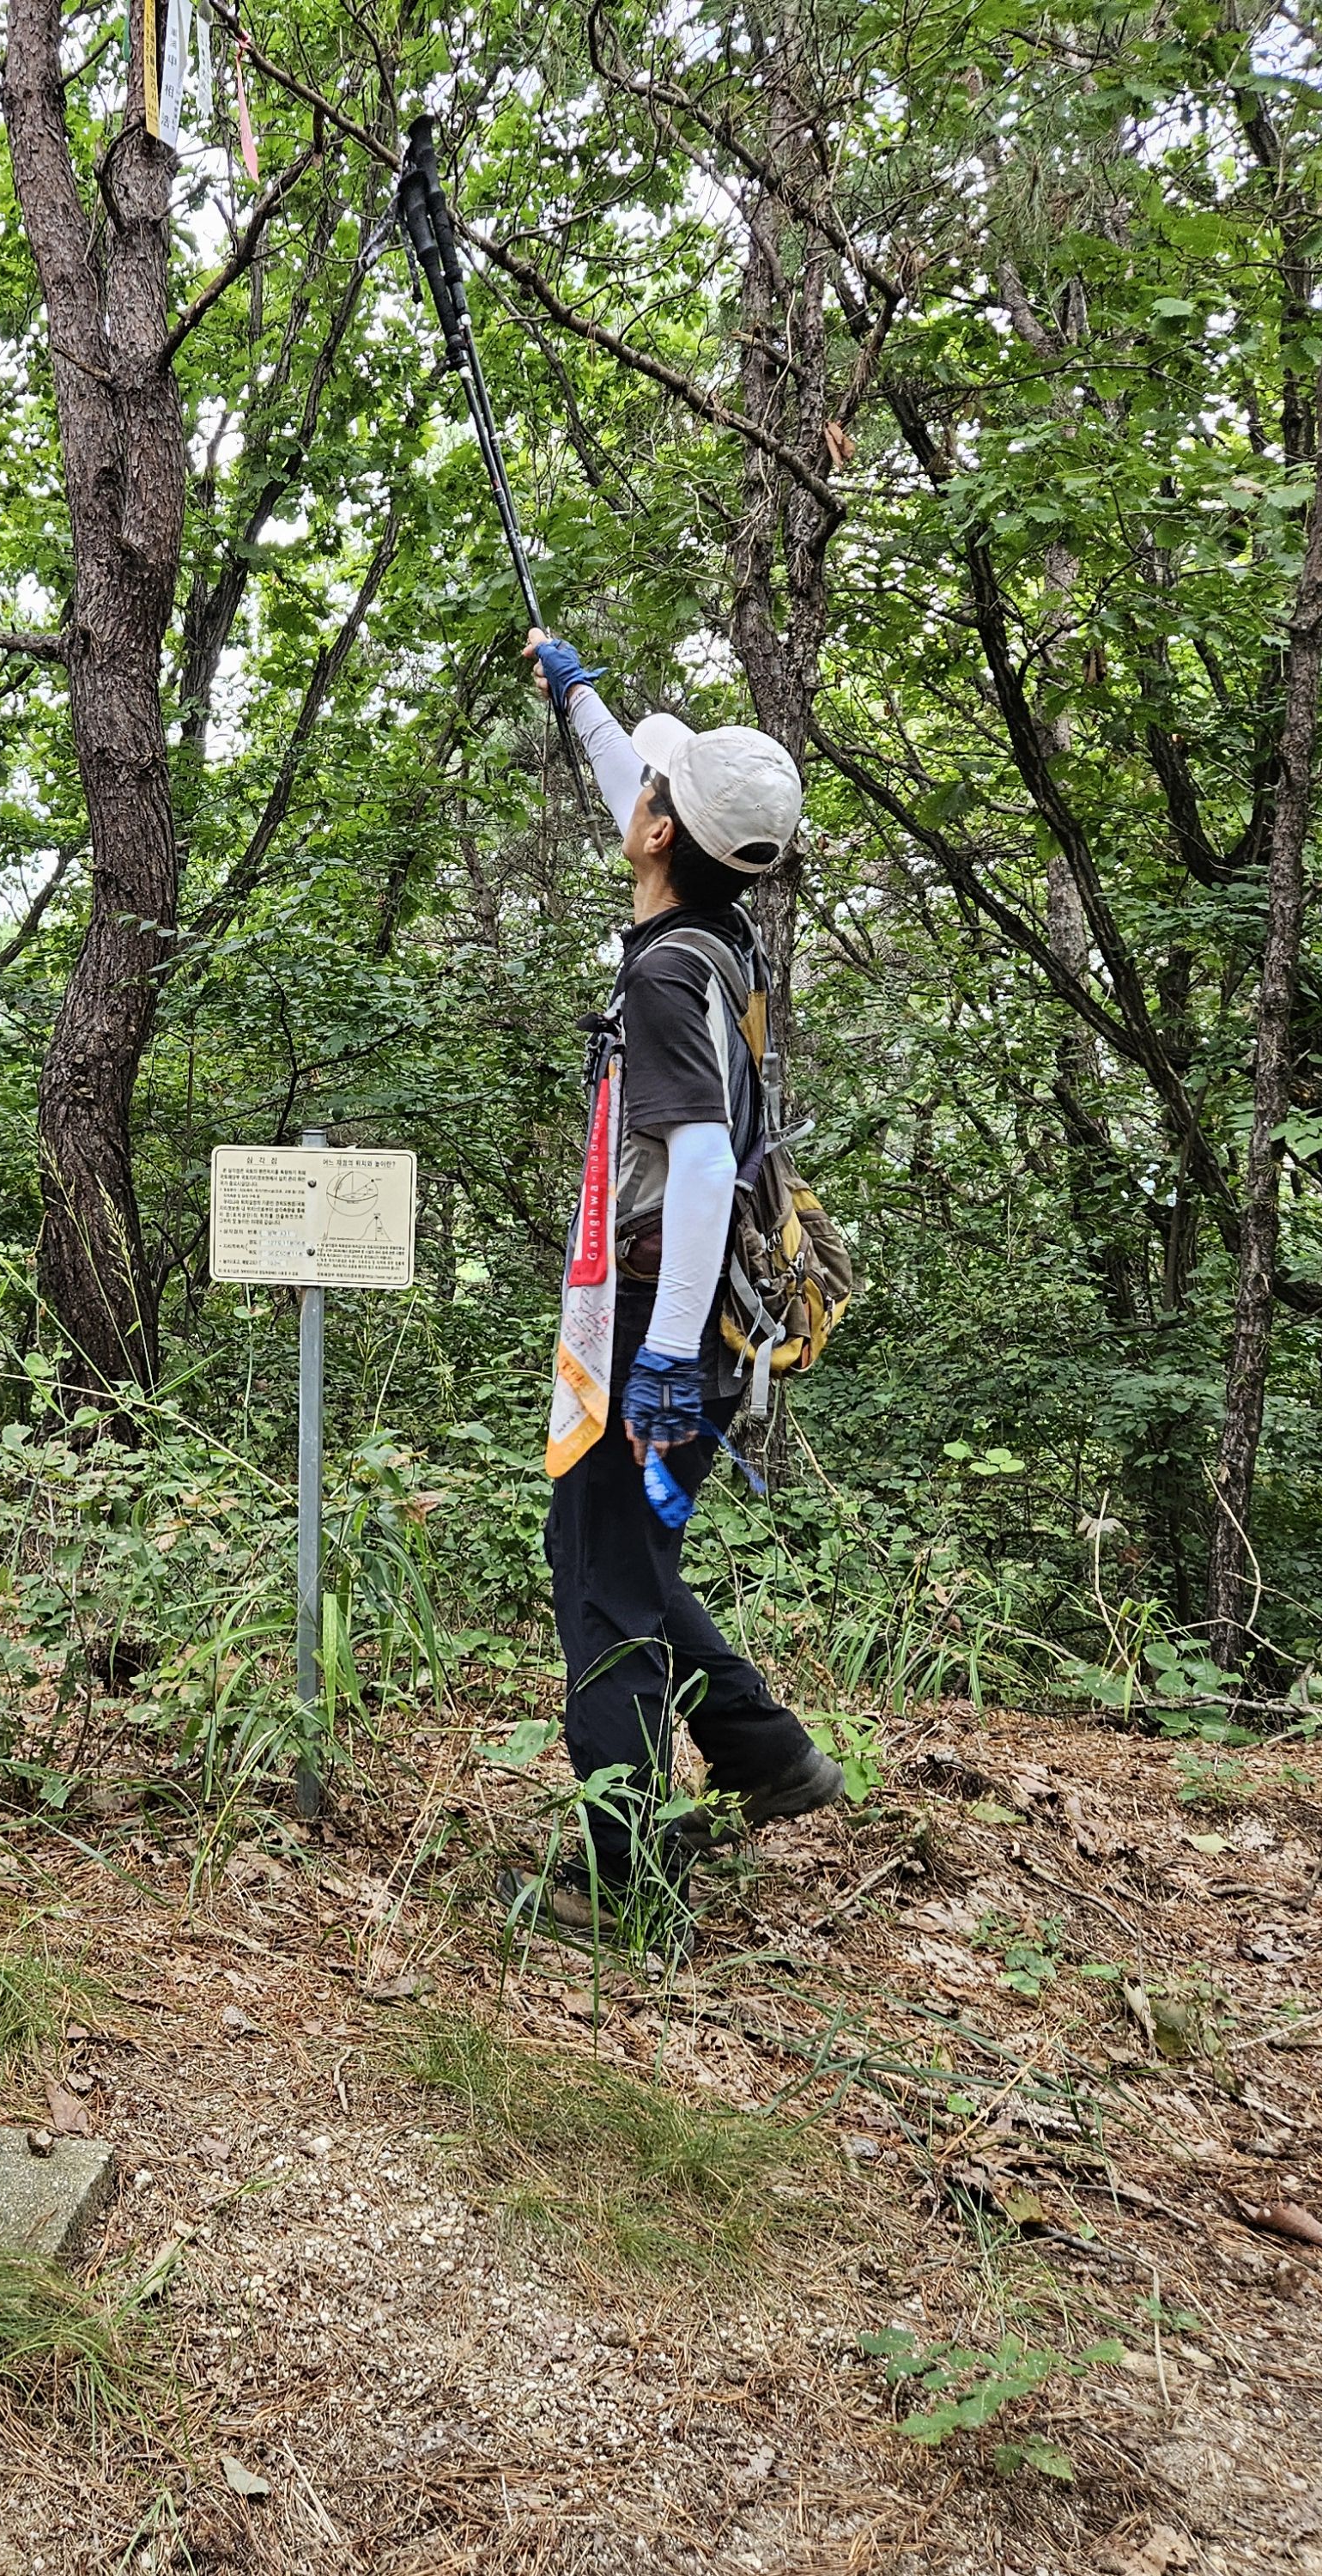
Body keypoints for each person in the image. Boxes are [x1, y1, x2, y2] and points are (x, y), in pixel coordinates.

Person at [510, 627, 842, 1946]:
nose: (637, 793)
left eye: (652, 791)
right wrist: (578, 695)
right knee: (614, 1556)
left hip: (663, 1314)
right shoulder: (720, 934)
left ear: (662, 837)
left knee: (602, 1589)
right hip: (702, 1315)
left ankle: (624, 1884)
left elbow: (700, 1163)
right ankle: (764, 1751)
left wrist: (655, 1361)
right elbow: (645, 793)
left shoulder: (662, 974)